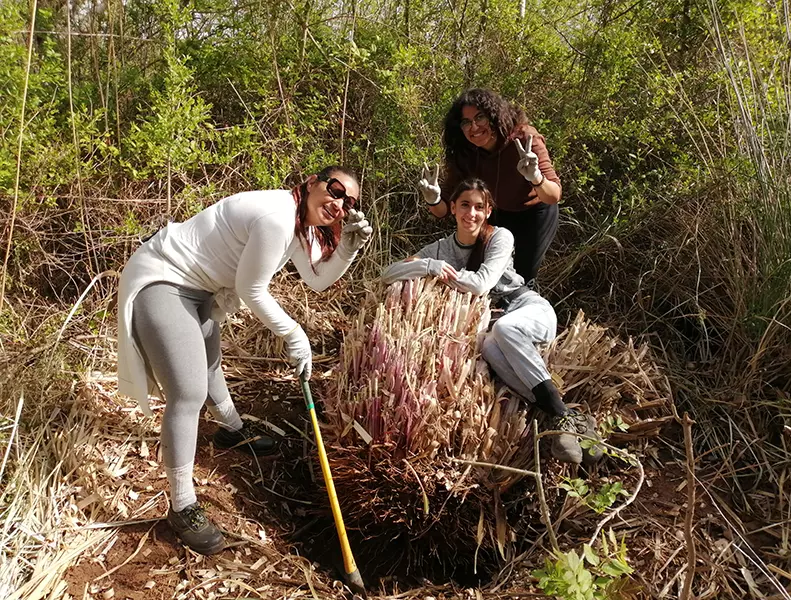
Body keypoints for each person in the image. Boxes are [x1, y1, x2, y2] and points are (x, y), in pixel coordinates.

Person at [116, 166, 372, 555]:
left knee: (209, 361)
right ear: (313, 183)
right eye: (334, 190)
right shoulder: (277, 217)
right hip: (164, 279)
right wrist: (294, 334)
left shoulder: (298, 223)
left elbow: (317, 279)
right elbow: (250, 289)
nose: (338, 203)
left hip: (197, 287)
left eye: (348, 201)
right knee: (188, 392)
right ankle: (182, 505)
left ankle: (231, 429)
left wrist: (348, 249)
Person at [383, 178, 597, 464]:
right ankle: (569, 417)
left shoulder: (500, 237)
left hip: (528, 310)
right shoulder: (439, 249)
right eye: (465, 205)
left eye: (479, 207)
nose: (471, 213)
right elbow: (388, 274)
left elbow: (482, 285)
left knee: (504, 329)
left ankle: (562, 416)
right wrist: (429, 266)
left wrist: (446, 275)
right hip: (501, 327)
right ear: (453, 209)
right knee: (489, 348)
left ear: (487, 212)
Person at [419, 88, 561, 283]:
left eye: (480, 118)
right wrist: (433, 198)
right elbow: (442, 210)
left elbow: (553, 195)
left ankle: (524, 307)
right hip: (496, 212)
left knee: (521, 275)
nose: (474, 127)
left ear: (494, 117)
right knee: (488, 269)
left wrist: (536, 177)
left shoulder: (524, 139)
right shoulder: (465, 152)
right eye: (466, 122)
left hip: (534, 213)